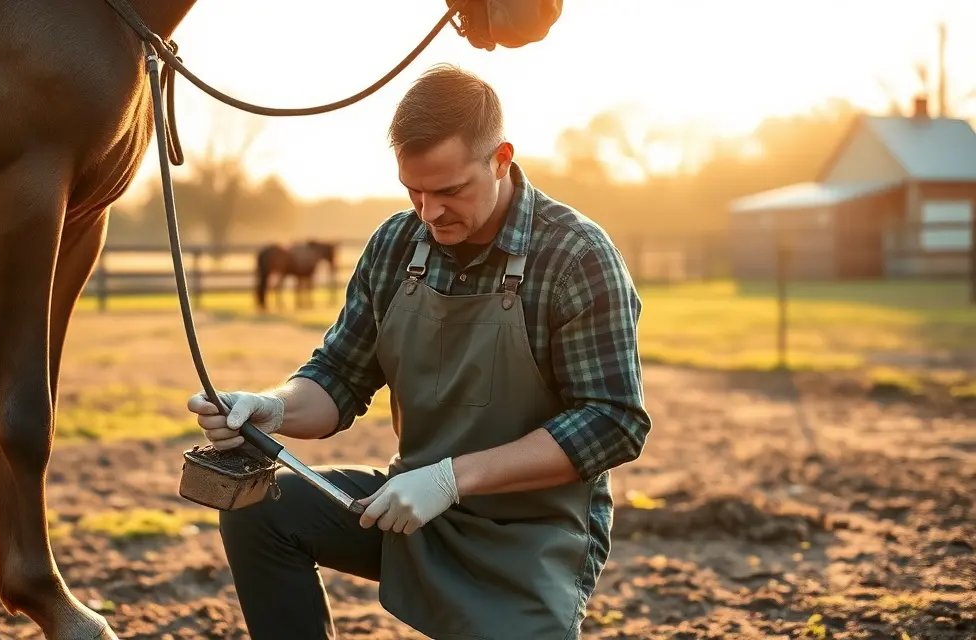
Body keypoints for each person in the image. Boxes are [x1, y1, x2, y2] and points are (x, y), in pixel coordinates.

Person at [186, 63, 652, 640]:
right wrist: (272, 408)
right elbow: (339, 376)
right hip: (408, 508)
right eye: (414, 190)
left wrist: (452, 479)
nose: (429, 212)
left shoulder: (575, 256)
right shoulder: (395, 242)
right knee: (260, 507)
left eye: (451, 190)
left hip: (531, 535)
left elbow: (613, 422)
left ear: (501, 159)